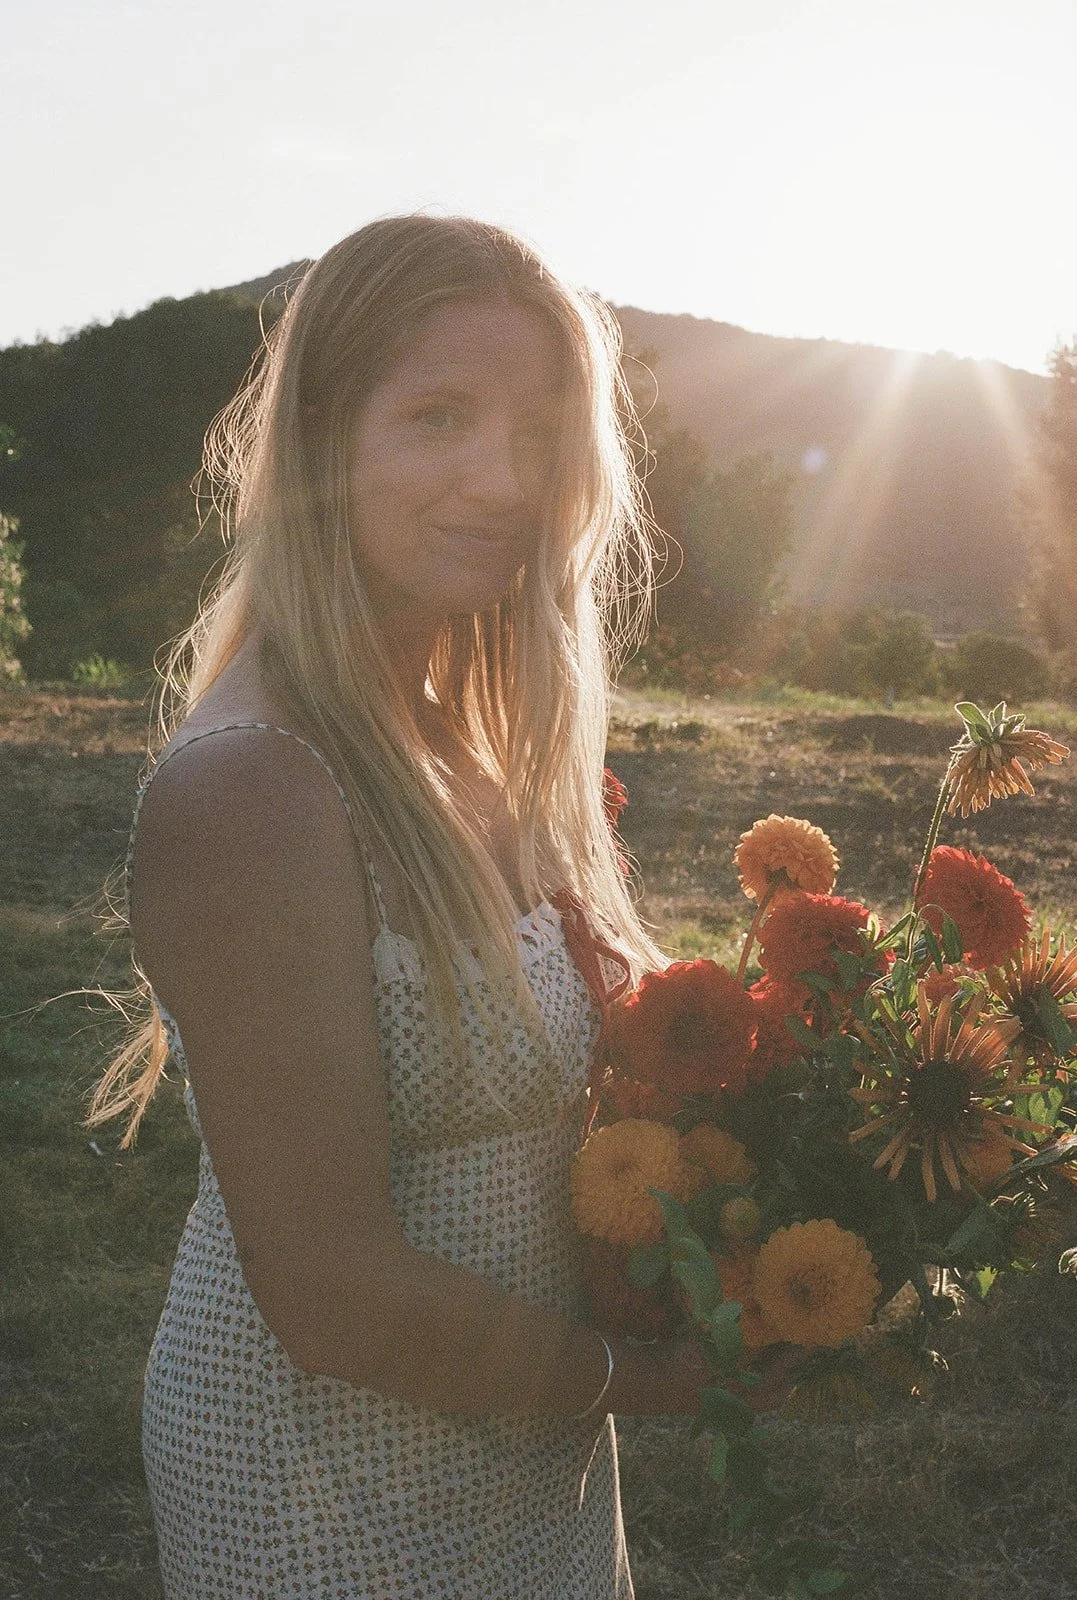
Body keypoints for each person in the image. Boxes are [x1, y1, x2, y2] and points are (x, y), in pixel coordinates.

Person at [89, 215, 795, 1599]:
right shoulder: (257, 789)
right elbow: (333, 1296)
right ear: (321, 442)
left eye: (538, 434)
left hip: (528, 1455)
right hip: (317, 1494)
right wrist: (648, 1378)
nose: (503, 481)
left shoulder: (473, 745)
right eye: (438, 418)